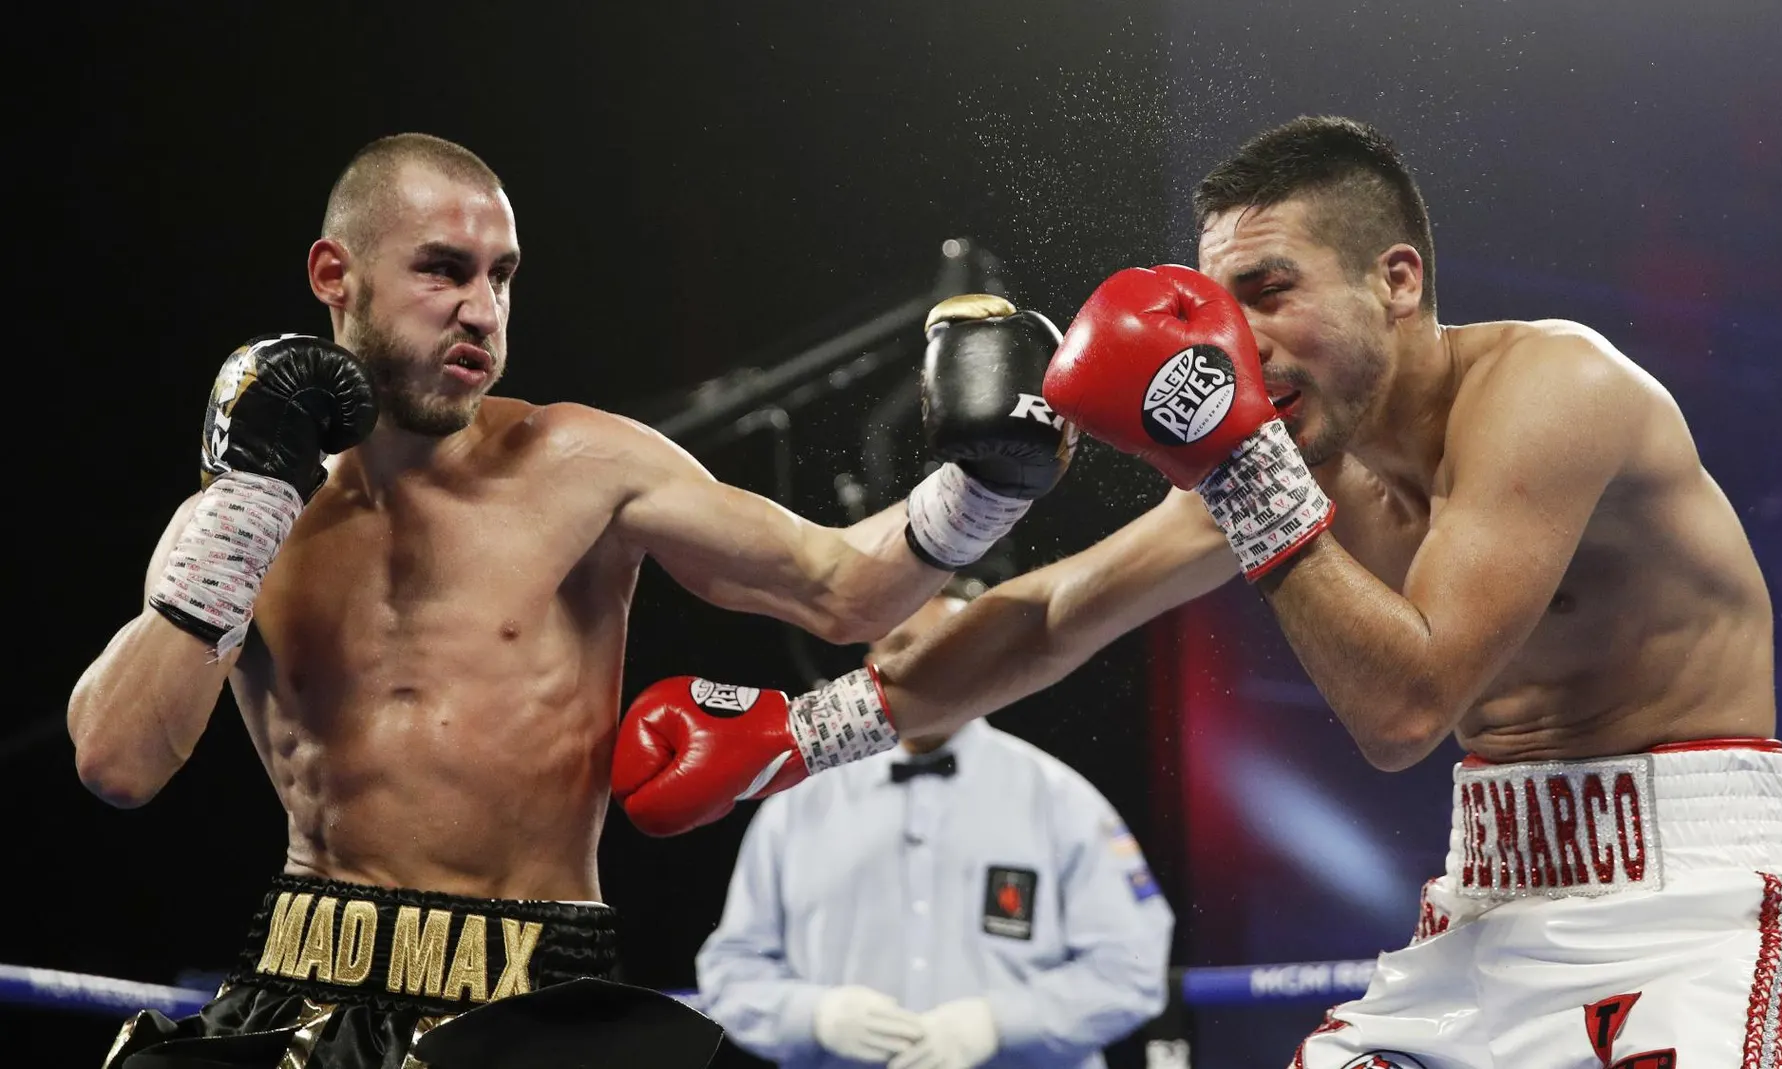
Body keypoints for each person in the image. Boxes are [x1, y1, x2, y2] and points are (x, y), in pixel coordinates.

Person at [613, 116, 1782, 1068]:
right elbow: (1050, 617)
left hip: (1687, 908)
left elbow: (1406, 707)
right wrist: (803, 733)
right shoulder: (1295, 461)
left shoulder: (1552, 389)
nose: (1236, 343)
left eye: (1270, 289)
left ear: (1395, 279)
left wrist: (1239, 469)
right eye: (1217, 300)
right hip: (1488, 913)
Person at [65, 132, 1073, 1069]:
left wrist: (983, 485)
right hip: (305, 981)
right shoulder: (250, 514)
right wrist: (246, 504)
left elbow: (841, 588)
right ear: (336, 275)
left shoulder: (584, 464)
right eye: (441, 269)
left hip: (530, 990)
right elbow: (118, 761)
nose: (481, 309)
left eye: (501, 276)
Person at [694, 589, 1174, 1069]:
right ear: (869, 667)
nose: (926, 666)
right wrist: (813, 1016)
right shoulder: (797, 805)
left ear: (987, 664)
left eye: (951, 646)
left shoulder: (1063, 801)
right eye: (905, 646)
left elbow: (1131, 970)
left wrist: (999, 1023)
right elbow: (730, 969)